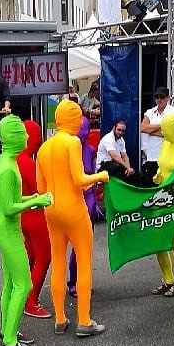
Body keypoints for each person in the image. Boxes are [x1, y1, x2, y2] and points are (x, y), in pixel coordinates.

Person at [36, 100, 109, 337]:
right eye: (78, 117)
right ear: (73, 119)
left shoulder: (44, 148)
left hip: (52, 210)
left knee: (58, 263)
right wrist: (101, 176)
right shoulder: (72, 142)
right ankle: (84, 320)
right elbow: (80, 180)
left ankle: (60, 318)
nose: (80, 121)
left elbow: (41, 188)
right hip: (74, 209)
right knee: (84, 262)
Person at [0, 115, 51, 346]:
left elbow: (12, 199)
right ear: (15, 137)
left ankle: (8, 330)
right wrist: (37, 200)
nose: (27, 136)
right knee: (24, 284)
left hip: (7, 230)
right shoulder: (8, 168)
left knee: (10, 284)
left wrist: (33, 199)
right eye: (23, 133)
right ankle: (9, 340)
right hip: (8, 232)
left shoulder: (7, 161)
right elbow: (8, 208)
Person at [150, 113, 174, 298]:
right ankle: (168, 280)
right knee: (158, 241)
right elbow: (163, 165)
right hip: (162, 197)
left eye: (164, 128)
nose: (161, 131)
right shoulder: (165, 144)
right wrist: (159, 174)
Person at [16, 119, 52, 319]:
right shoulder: (28, 163)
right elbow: (39, 191)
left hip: (20, 216)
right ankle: (31, 302)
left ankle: (22, 297)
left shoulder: (11, 160)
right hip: (35, 217)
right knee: (43, 257)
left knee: (29, 258)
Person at [68, 115, 98, 298]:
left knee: (85, 247)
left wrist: (95, 201)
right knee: (75, 246)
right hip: (73, 201)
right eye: (81, 131)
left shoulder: (90, 150)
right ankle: (73, 282)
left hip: (89, 201)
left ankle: (83, 282)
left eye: (86, 131)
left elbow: (92, 174)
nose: (84, 134)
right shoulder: (67, 151)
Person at [140, 86, 174, 186]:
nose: (159, 100)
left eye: (162, 97)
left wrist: (150, 131)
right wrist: (163, 126)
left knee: (166, 185)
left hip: (167, 156)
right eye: (157, 97)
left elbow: (172, 132)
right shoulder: (150, 112)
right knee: (151, 184)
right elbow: (142, 128)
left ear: (167, 98)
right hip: (152, 156)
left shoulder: (173, 112)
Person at [95, 119, 139, 185]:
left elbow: (125, 156)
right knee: (118, 168)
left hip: (113, 165)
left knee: (135, 173)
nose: (120, 132)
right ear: (114, 128)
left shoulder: (121, 140)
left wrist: (129, 168)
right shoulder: (108, 139)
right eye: (119, 130)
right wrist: (127, 168)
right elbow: (115, 156)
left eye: (123, 131)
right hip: (103, 167)